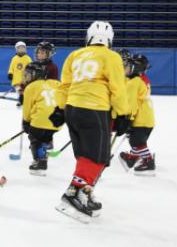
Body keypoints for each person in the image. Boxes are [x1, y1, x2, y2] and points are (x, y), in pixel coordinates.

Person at [55, 21, 130, 222]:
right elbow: (118, 87)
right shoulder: (111, 56)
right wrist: (123, 114)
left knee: (84, 154)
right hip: (94, 109)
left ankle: (84, 191)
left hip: (72, 108)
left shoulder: (75, 55)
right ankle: (73, 193)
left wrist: (59, 109)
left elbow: (64, 86)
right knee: (98, 156)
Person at [21, 62, 64, 176]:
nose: (26, 77)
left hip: (40, 120)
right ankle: (46, 145)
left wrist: (25, 122)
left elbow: (27, 109)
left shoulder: (30, 87)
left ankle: (39, 163)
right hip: (58, 120)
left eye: (28, 74)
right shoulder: (55, 83)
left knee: (35, 138)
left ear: (37, 74)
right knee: (45, 135)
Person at [119, 53, 156, 176]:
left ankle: (148, 161)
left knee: (136, 142)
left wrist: (128, 120)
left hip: (141, 118)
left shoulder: (134, 82)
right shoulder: (139, 80)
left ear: (136, 68)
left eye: (129, 66)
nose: (126, 68)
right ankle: (132, 157)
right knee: (137, 141)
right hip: (147, 118)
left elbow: (132, 104)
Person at [8, 41, 32, 107]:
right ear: (16, 49)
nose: (21, 49)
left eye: (22, 48)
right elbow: (11, 67)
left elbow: (31, 67)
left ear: (25, 49)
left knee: (25, 90)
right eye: (19, 48)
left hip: (25, 79)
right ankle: (19, 100)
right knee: (18, 90)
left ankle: (25, 100)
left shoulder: (28, 58)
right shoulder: (14, 59)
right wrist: (10, 73)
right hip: (16, 78)